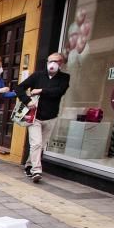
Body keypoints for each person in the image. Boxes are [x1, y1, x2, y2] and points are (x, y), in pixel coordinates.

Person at [15, 52, 70, 183]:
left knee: (40, 145)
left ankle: (29, 165)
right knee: (36, 143)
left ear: (61, 63)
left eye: (56, 61)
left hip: (51, 117)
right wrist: (27, 101)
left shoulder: (64, 78)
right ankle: (36, 171)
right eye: (50, 61)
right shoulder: (38, 75)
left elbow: (59, 91)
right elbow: (19, 88)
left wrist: (41, 90)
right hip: (34, 117)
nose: (52, 64)